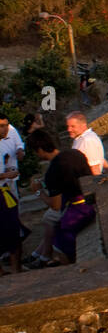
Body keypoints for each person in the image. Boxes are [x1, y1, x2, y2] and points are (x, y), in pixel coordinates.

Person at [24, 129, 94, 268]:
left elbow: (55, 205)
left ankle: (49, 258)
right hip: (91, 198)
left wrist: (38, 192)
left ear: (39, 150)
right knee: (50, 219)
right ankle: (42, 255)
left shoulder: (53, 171)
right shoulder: (75, 154)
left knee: (55, 229)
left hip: (78, 208)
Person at [0, 114, 24, 203]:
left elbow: (19, 144)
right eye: (2, 126)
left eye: (6, 125)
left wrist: (20, 151)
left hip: (8, 181)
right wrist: (6, 175)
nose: (6, 129)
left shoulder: (11, 129)